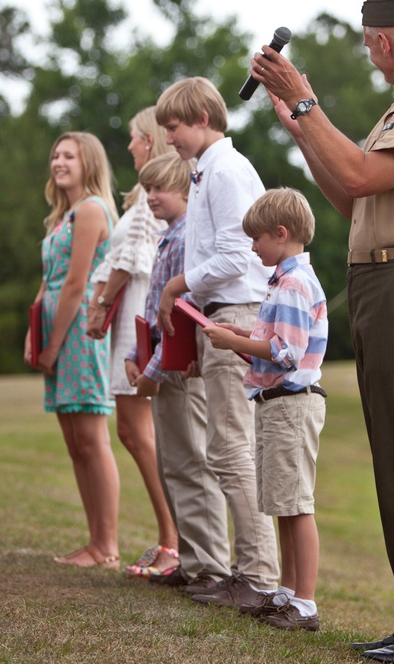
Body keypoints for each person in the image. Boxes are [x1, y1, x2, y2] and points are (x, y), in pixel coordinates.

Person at [252, 0, 394, 660]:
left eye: (367, 46)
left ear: (383, 43)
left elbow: (359, 172)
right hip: (390, 285)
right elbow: (356, 201)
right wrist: (301, 128)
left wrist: (307, 105)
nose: (368, 56)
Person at [154, 76, 281, 608]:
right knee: (225, 446)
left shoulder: (225, 170)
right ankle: (246, 569)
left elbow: (239, 256)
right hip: (217, 317)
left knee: (231, 448)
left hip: (235, 315)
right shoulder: (206, 170)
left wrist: (176, 286)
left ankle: (256, 577)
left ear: (203, 118)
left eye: (175, 127)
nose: (169, 140)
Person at [203, 188, 328, 632]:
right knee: (281, 501)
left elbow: (287, 352)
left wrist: (236, 342)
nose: (252, 247)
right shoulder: (282, 281)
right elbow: (270, 350)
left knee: (296, 504)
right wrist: (239, 337)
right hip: (275, 405)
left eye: (257, 239)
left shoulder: (293, 284)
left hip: (292, 406)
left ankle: (306, 604)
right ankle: (287, 594)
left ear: (282, 233)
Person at [124, 152, 229, 584]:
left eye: (159, 189)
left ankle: (211, 566)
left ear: (186, 190)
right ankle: (189, 561)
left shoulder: (187, 239)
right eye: (146, 189)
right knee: (173, 466)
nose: (150, 197)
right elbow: (152, 309)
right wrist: (136, 354)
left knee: (193, 467)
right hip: (159, 366)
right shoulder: (169, 236)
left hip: (177, 370)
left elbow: (178, 317)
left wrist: (151, 369)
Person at [85, 107, 179, 576]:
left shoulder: (151, 195)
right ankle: (172, 536)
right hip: (133, 310)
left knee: (138, 432)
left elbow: (129, 256)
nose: (129, 147)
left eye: (135, 138)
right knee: (135, 431)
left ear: (151, 141)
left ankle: (173, 540)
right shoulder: (148, 195)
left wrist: (101, 302)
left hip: (139, 310)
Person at [24, 131, 121, 569]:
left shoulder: (91, 210)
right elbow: (49, 280)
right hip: (55, 333)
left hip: (79, 334)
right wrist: (35, 335)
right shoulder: (62, 216)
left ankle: (106, 546)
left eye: (69, 156)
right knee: (73, 441)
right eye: (55, 155)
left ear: (89, 164)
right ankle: (93, 542)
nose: (59, 162)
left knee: (91, 438)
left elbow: (77, 285)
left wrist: (55, 345)